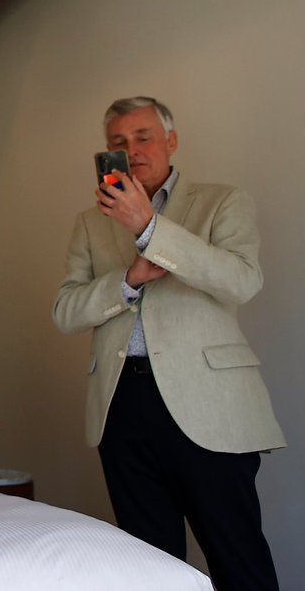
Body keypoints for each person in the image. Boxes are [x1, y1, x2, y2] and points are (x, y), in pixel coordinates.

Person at [53, 96, 284, 590]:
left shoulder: (222, 201)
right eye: (119, 142)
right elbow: (66, 311)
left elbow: (241, 281)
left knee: (238, 556)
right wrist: (129, 279)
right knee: (149, 565)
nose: (132, 149)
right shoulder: (91, 222)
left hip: (209, 405)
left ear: (170, 141)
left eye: (144, 137)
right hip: (122, 405)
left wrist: (149, 227)